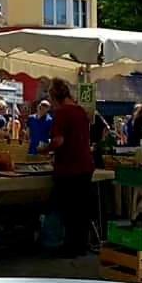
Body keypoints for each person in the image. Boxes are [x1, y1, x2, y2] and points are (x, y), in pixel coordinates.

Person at [44, 77, 95, 257]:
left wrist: (45, 149)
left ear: (54, 96)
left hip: (69, 167)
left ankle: (67, 246)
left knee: (66, 209)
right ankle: (81, 246)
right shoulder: (80, 111)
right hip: (86, 165)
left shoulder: (62, 113)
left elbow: (58, 140)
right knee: (81, 209)